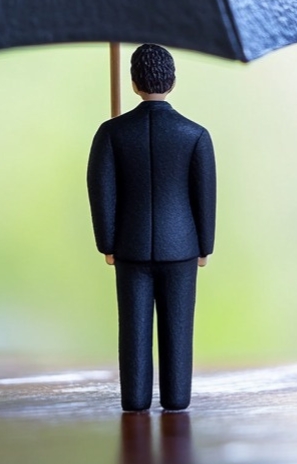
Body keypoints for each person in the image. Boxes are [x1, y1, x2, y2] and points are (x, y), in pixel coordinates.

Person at [87, 44, 216, 412]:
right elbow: (204, 196)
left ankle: (136, 398)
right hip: (182, 247)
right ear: (172, 81)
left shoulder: (111, 133)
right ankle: (176, 398)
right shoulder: (194, 134)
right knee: (178, 328)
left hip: (130, 244)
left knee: (133, 328)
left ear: (133, 82)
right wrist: (204, 246)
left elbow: (100, 191)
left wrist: (106, 242)